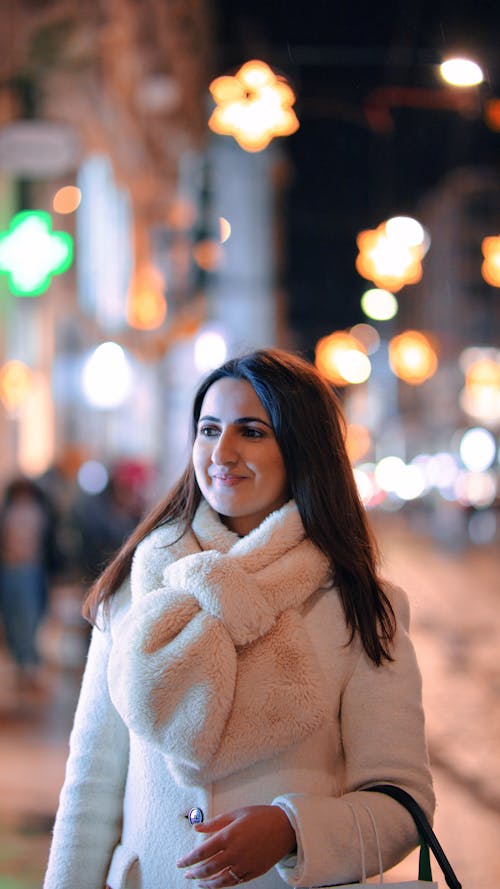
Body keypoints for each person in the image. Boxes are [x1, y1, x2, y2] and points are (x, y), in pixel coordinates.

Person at [43, 348, 434, 889]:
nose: (221, 452)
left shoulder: (361, 607)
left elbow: (402, 801)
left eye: (251, 432)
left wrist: (293, 829)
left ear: (302, 451)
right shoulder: (136, 587)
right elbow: (90, 788)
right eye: (208, 429)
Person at [0, 476, 61, 690]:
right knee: (11, 619)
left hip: (30, 571)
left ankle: (29, 664)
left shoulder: (39, 513)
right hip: (9, 570)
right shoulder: (8, 512)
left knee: (29, 618)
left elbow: (45, 543)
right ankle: (20, 663)